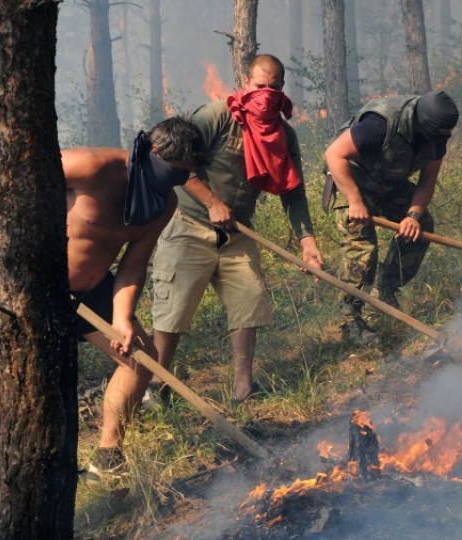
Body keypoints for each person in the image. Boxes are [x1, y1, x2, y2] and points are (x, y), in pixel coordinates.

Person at [150, 54, 324, 405]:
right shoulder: (215, 117)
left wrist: (308, 241)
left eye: (274, 88)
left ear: (282, 88)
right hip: (189, 226)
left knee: (250, 302)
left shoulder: (283, 136)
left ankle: (243, 390)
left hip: (238, 235)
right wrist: (212, 201)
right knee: (173, 311)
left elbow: (294, 191)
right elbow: (174, 162)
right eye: (260, 86)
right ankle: (156, 386)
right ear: (246, 81)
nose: (266, 94)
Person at [66, 116, 206, 479]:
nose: (177, 183)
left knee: (141, 357)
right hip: (34, 287)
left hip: (91, 292)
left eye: (185, 175)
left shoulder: (164, 204)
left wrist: (122, 317)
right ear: (152, 152)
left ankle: (107, 458)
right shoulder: (92, 167)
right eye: (175, 172)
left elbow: (134, 263)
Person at [323, 91, 459, 341]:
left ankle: (385, 288)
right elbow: (334, 155)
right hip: (353, 181)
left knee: (422, 227)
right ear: (423, 124)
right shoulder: (380, 124)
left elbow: (427, 181)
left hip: (389, 182)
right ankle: (349, 320)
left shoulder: (436, 136)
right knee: (362, 248)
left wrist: (413, 216)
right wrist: (355, 201)